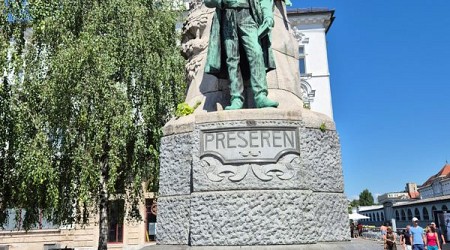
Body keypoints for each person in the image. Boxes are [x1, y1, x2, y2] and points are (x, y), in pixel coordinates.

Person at [204, 0, 279, 110]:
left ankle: (261, 96)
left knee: (256, 52)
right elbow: (208, 1)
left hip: (247, 15)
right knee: (232, 58)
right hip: (227, 14)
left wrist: (268, 15)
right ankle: (236, 97)